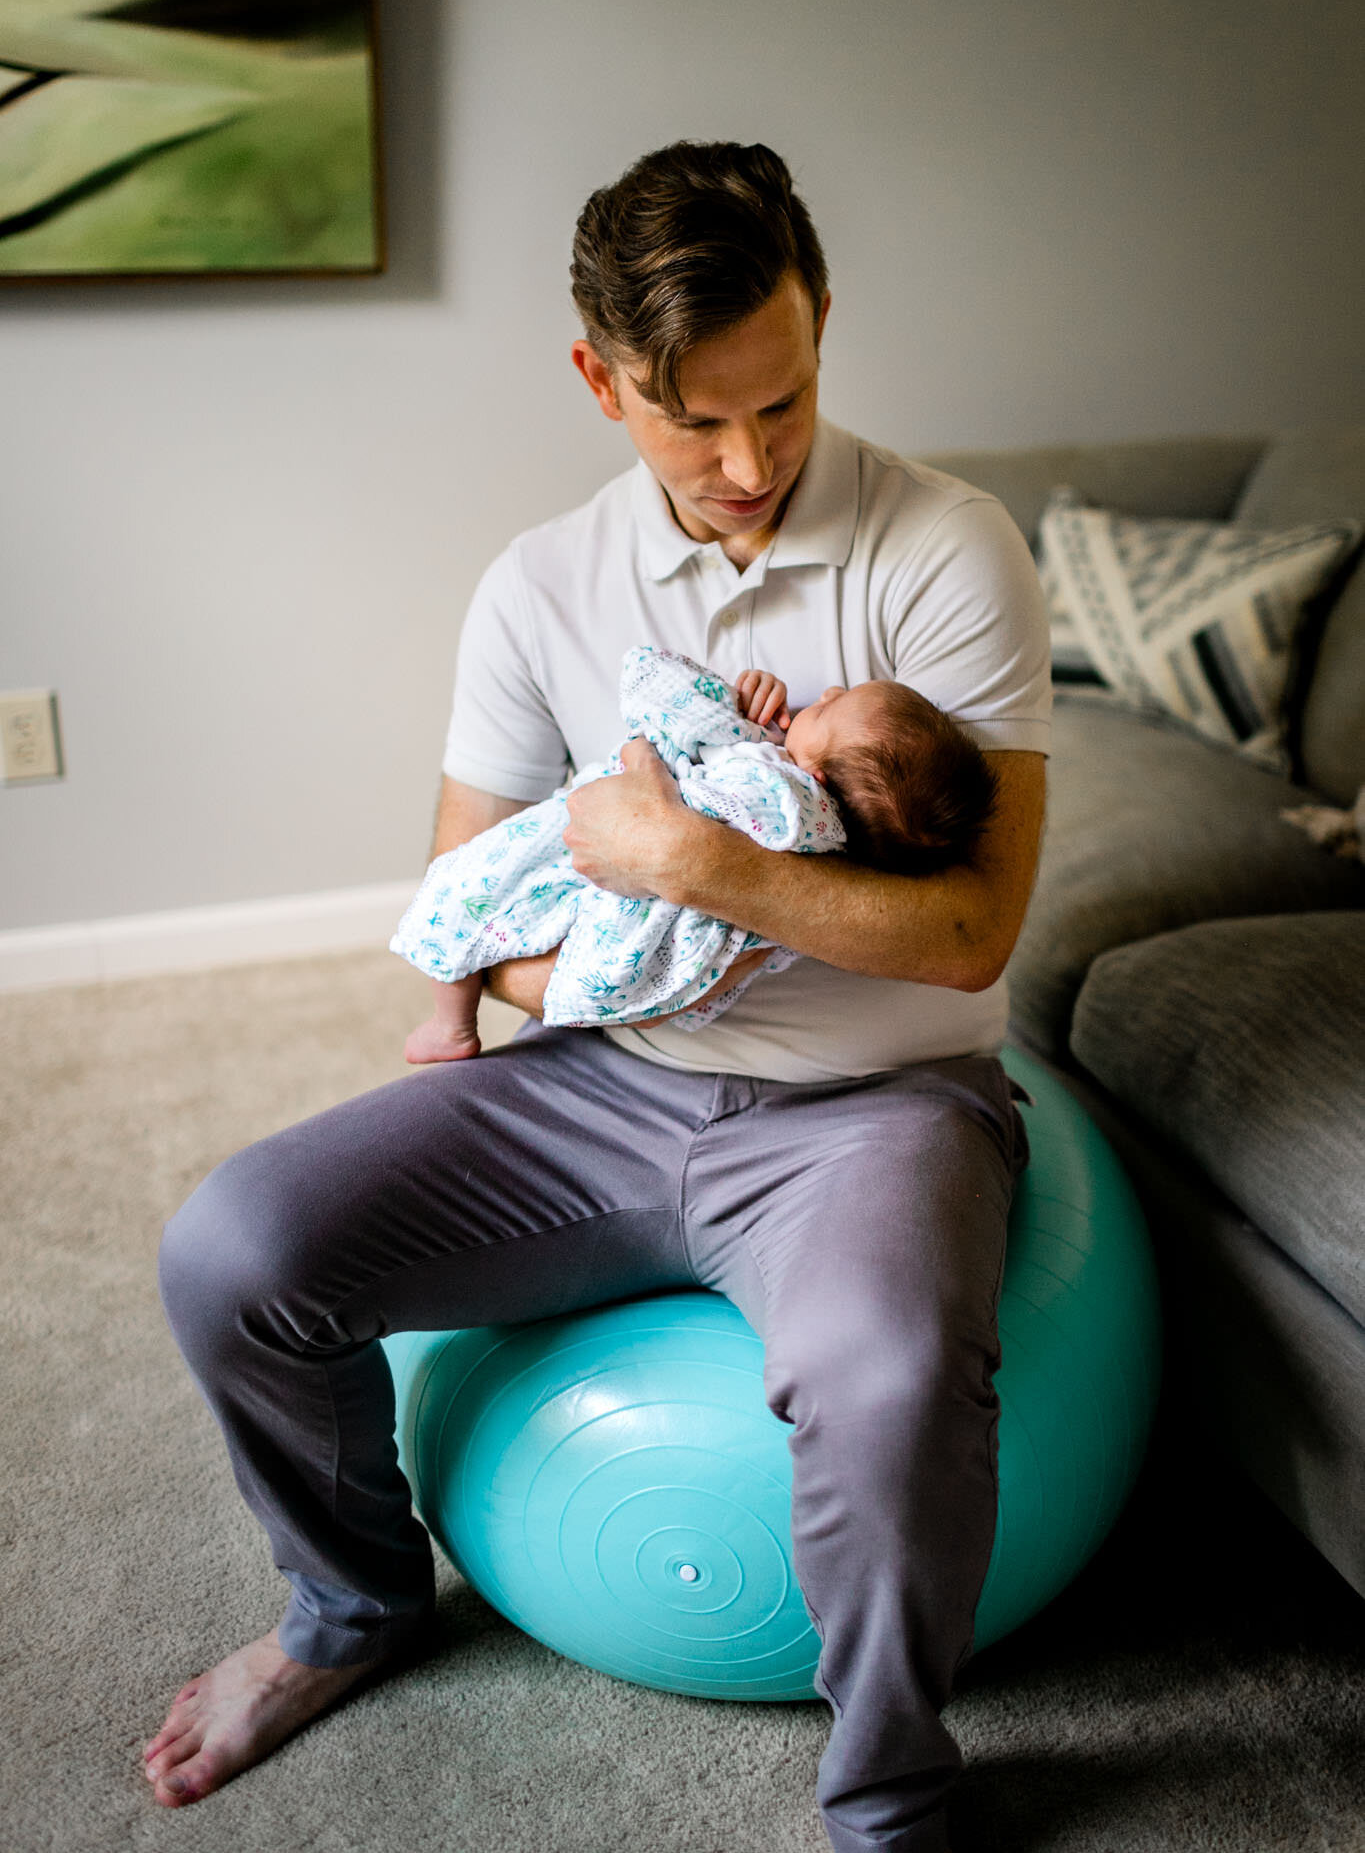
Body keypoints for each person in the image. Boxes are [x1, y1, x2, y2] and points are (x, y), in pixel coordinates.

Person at [145, 139, 1050, 1853]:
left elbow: (966, 934)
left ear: (822, 322)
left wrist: (694, 868)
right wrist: (591, 962)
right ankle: (350, 1608)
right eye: (693, 417)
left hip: (875, 1109)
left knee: (891, 1368)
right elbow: (458, 898)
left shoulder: (949, 550)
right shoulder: (541, 585)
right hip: (602, 1074)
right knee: (234, 1252)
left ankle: (892, 1792)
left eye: (781, 405)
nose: (745, 462)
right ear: (599, 377)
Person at [394, 644, 1000, 1062]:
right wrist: (756, 713)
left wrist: (713, 723)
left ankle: (453, 1026)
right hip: (627, 917)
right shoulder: (815, 822)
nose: (830, 688)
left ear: (816, 773)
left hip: (608, 872)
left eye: (829, 707)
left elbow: (675, 721)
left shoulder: (782, 797)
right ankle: (454, 1018)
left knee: (466, 891)